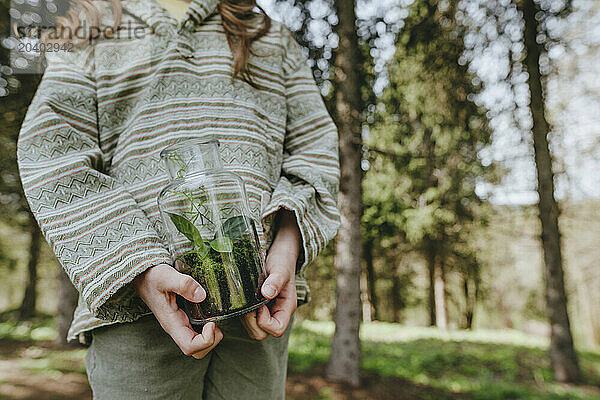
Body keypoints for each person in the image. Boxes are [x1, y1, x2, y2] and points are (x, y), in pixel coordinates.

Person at [16, 0, 340, 397]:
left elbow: (315, 151)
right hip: (135, 312)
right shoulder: (93, 29)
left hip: (260, 301)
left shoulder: (270, 38)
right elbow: (51, 151)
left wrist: (287, 245)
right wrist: (140, 268)